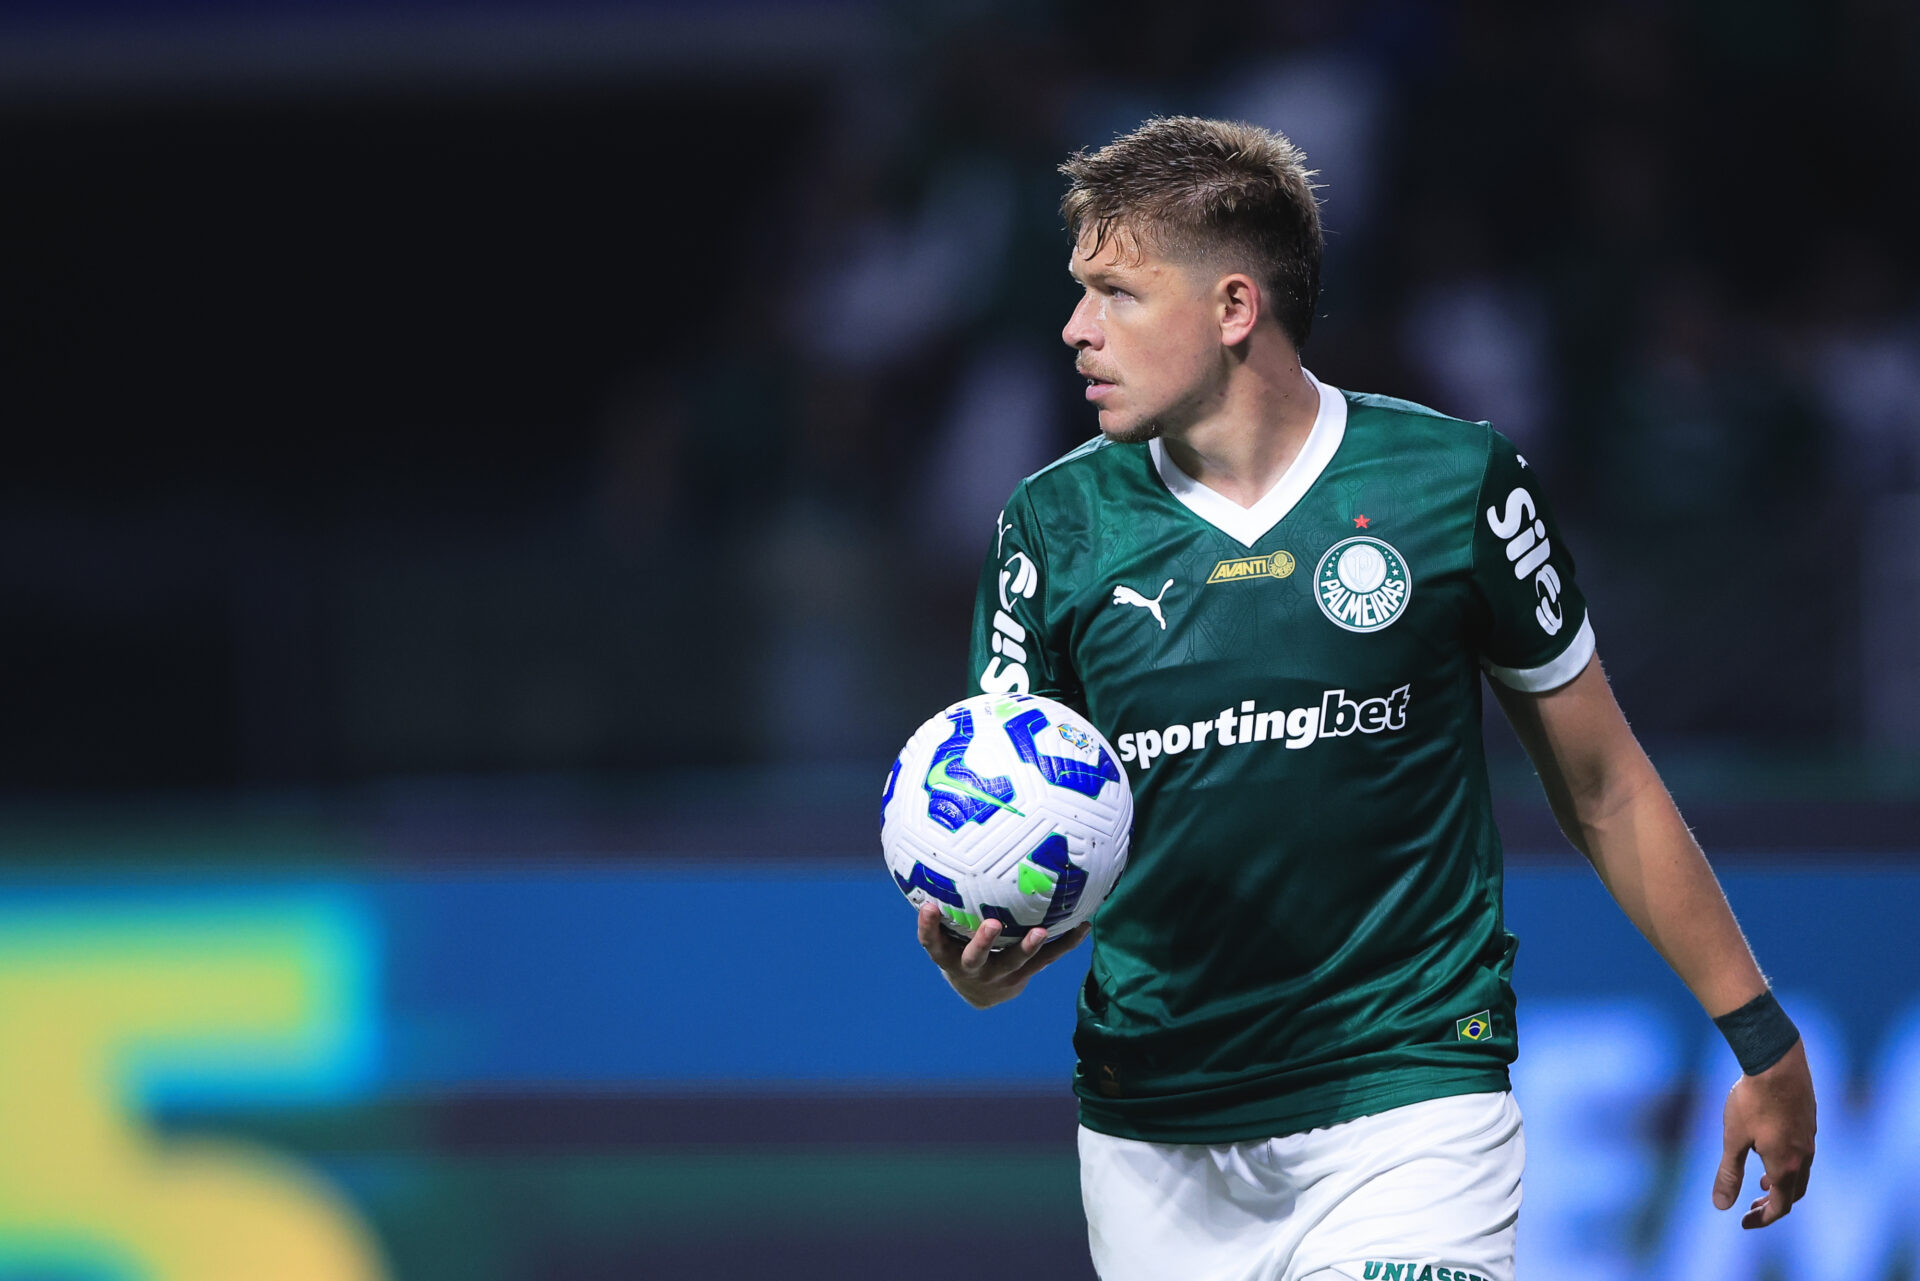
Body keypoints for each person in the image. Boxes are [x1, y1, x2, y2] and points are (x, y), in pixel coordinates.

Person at [912, 116, 1817, 1281]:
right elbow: (1031, 833)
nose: (1078, 329)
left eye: (1117, 293)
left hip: (1410, 1097)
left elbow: (1601, 782)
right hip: (1158, 1137)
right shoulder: (1051, 530)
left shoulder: (1453, 489)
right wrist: (994, 958)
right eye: (1080, 293)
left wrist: (1758, 1034)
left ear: (1236, 308)